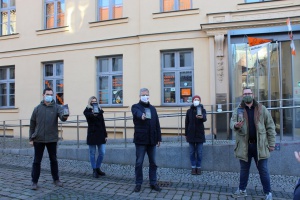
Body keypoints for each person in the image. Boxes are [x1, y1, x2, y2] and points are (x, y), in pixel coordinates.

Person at [230, 87, 276, 200]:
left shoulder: (262, 108)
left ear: (253, 95)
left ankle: (268, 193)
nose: (247, 95)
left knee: (263, 170)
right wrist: (236, 125)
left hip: (260, 146)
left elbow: (270, 126)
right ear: (242, 96)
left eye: (249, 93)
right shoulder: (238, 109)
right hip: (244, 146)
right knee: (244, 170)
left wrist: (271, 143)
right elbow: (232, 123)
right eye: (245, 93)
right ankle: (242, 190)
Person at [29, 87, 69, 190]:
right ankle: (34, 182)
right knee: (37, 161)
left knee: (53, 160)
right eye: (47, 94)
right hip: (39, 139)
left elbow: (62, 118)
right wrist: (31, 138)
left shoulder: (56, 107)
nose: (49, 96)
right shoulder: (37, 108)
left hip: (52, 139)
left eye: (51, 94)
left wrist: (65, 116)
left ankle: (56, 179)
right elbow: (32, 124)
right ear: (43, 95)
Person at [131, 88, 162, 192]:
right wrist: (142, 116)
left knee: (153, 162)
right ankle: (138, 183)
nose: (145, 96)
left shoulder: (153, 109)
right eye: (143, 95)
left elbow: (157, 124)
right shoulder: (136, 106)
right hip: (141, 140)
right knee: (139, 162)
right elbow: (137, 113)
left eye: (147, 94)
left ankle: (153, 182)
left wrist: (159, 138)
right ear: (140, 96)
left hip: (152, 140)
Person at [83, 96, 107, 178]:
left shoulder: (100, 109)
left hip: (100, 134)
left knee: (102, 152)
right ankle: (94, 170)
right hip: (92, 134)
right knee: (92, 153)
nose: (94, 103)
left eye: (95, 101)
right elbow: (88, 117)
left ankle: (98, 167)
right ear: (90, 102)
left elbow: (103, 123)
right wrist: (92, 114)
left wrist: (105, 134)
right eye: (92, 101)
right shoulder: (87, 110)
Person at [185, 95, 207, 175]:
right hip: (191, 134)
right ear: (193, 101)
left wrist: (201, 117)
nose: (196, 101)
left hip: (199, 134)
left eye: (198, 99)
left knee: (199, 152)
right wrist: (186, 134)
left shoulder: (203, 110)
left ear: (200, 101)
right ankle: (193, 167)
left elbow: (205, 118)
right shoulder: (189, 111)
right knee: (191, 152)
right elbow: (186, 123)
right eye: (195, 99)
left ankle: (198, 167)